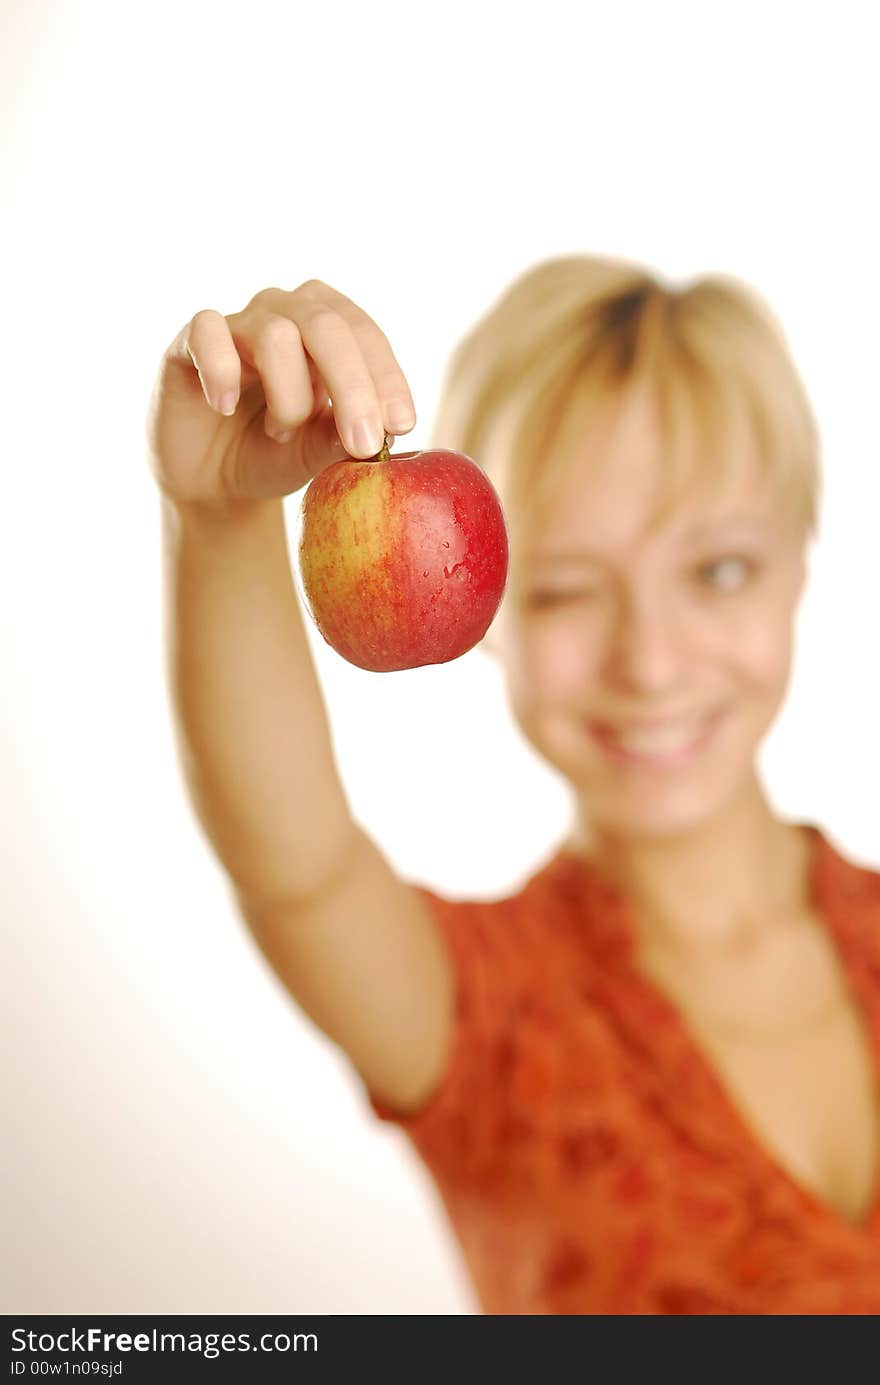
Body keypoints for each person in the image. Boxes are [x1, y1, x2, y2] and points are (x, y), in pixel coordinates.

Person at [145, 258, 880, 1315]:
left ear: (800, 565)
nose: (652, 661)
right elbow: (292, 864)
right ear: (480, 603)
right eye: (567, 589)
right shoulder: (490, 1020)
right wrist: (215, 518)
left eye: (718, 570)